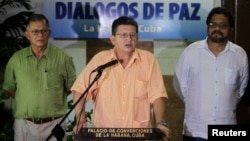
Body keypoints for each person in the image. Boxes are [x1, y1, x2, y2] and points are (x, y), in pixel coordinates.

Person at [71, 16, 171, 140]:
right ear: (113, 39)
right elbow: (79, 89)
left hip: (139, 135)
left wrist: (161, 122)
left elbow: (157, 95)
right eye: (123, 35)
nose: (129, 39)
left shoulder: (148, 60)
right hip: (104, 136)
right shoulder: (101, 60)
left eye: (132, 35)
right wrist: (80, 120)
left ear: (137, 38)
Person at [173, 7, 249, 141]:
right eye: (213, 24)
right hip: (196, 129)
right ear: (207, 27)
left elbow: (241, 90)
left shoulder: (239, 55)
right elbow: (179, 84)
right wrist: (195, 102)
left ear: (231, 29)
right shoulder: (191, 52)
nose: (217, 28)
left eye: (223, 25)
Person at [3, 14, 76, 141]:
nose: (40, 35)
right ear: (27, 34)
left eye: (44, 31)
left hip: (55, 123)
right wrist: (27, 96)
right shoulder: (16, 59)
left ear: (49, 32)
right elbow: (9, 88)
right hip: (24, 125)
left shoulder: (63, 58)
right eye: (35, 31)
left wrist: (53, 97)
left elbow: (72, 86)